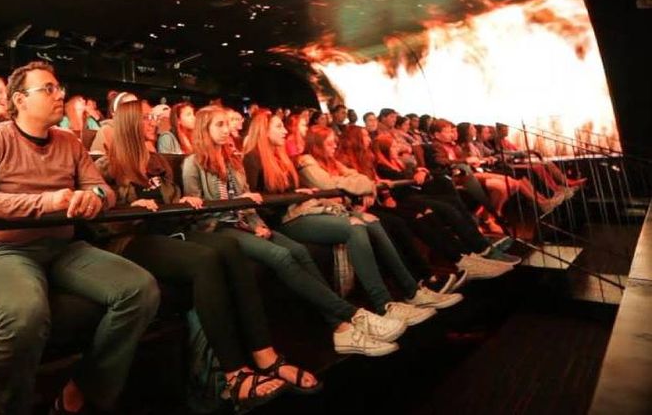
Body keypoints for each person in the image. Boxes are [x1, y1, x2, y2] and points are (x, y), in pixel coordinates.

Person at [0, 62, 159, 415]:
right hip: (4, 250)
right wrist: (43, 203)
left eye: (58, 88)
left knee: (140, 290)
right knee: (24, 315)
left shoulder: (69, 141)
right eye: (48, 89)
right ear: (19, 100)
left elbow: (102, 188)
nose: (60, 95)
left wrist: (94, 197)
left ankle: (83, 389)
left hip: (63, 247)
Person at [98, 101, 313, 409]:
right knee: (205, 260)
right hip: (132, 239)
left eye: (152, 117)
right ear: (128, 124)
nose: (154, 122)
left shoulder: (157, 160)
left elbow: (171, 204)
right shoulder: (110, 165)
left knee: (229, 247)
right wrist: (128, 211)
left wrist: (182, 200)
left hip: (168, 232)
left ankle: (264, 353)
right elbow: (101, 224)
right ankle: (234, 373)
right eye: (146, 118)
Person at [183, 106, 405, 357]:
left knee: (298, 250)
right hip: (219, 228)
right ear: (204, 129)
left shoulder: (233, 160)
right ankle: (352, 315)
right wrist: (241, 210)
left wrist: (258, 225)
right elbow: (198, 212)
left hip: (244, 222)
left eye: (226, 124)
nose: (227, 130)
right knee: (281, 256)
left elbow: (249, 203)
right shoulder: (193, 163)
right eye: (219, 125)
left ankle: (341, 329)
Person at [284, 125, 459, 316]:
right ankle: (384, 303)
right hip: (316, 212)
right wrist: (355, 186)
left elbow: (362, 180)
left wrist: (353, 186)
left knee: (374, 221)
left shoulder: (331, 160)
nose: (335, 144)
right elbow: (328, 184)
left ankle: (412, 291)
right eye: (330, 141)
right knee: (367, 224)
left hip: (338, 208)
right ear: (318, 144)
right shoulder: (306, 160)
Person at [372, 134, 513, 280]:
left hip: (415, 194)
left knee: (452, 199)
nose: (397, 148)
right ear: (384, 149)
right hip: (407, 199)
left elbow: (415, 172)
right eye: (393, 146)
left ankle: (476, 248)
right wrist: (419, 171)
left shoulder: (396, 161)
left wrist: (421, 171)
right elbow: (407, 178)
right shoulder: (382, 166)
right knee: (445, 208)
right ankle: (471, 253)